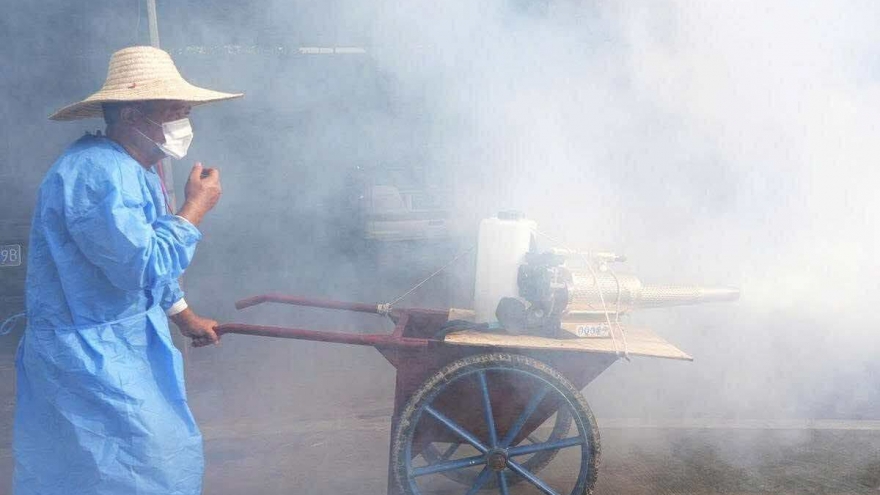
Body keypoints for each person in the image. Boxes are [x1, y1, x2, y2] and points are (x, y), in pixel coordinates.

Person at [12, 46, 242, 495]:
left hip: (117, 346)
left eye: (186, 110)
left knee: (121, 469)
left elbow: (143, 259)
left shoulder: (132, 167)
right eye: (174, 110)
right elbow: (141, 265)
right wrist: (196, 207)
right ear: (133, 115)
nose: (184, 121)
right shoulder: (99, 174)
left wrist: (184, 316)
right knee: (138, 471)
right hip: (90, 358)